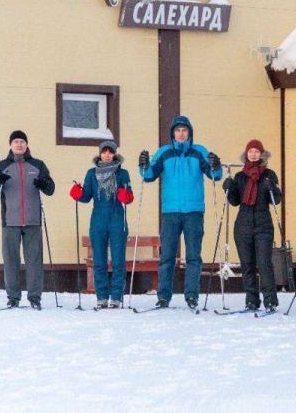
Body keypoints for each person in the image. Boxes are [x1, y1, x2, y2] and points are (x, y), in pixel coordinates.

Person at [138, 115, 222, 309]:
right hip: (170, 212)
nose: (181, 134)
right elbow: (149, 175)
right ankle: (163, 296)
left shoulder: (198, 152)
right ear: (173, 133)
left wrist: (215, 166)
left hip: (194, 212)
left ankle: (191, 295)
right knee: (167, 255)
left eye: (185, 130)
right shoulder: (164, 153)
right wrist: (143, 165)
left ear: (189, 133)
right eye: (178, 130)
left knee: (193, 256)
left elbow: (214, 175)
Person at [0, 130, 56, 310]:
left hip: (33, 221)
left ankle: (34, 298)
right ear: (10, 145)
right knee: (11, 260)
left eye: (22, 142)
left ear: (26, 145)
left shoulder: (38, 165)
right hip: (10, 221)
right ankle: (13, 298)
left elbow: (51, 189)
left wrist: (43, 184)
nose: (19, 145)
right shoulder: (1, 165)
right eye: (16, 141)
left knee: (34, 261)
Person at [69, 141, 134, 309]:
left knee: (118, 259)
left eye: (110, 152)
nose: (107, 154)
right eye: (104, 152)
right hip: (98, 217)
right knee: (99, 259)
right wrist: (77, 193)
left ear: (114, 154)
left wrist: (125, 195)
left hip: (117, 217)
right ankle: (102, 296)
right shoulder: (91, 173)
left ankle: (117, 297)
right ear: (99, 154)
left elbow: (129, 197)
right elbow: (86, 197)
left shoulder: (122, 173)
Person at [223, 139, 283, 312]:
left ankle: (270, 300)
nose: (254, 154)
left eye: (257, 151)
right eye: (251, 151)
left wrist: (272, 188)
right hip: (243, 224)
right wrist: (229, 188)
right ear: (246, 154)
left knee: (264, 263)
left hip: (263, 223)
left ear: (262, 154)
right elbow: (234, 201)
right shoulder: (240, 176)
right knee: (247, 264)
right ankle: (251, 300)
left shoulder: (269, 174)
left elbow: (277, 200)